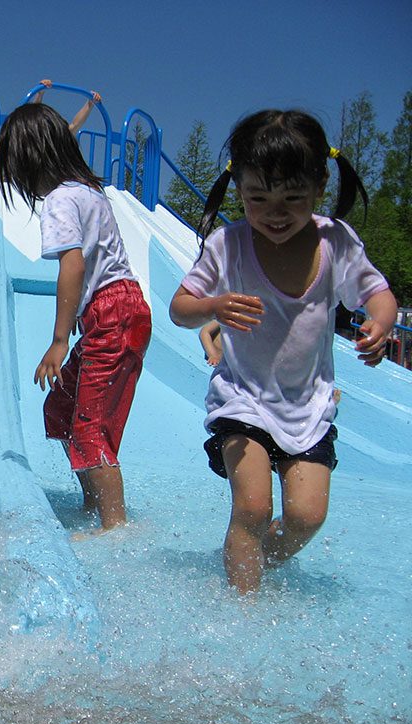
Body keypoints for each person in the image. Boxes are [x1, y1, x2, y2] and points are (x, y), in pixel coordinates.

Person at [168, 109, 398, 594]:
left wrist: (381, 321)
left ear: (318, 186)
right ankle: (243, 609)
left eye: (292, 199)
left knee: (306, 518)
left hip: (308, 406)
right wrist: (213, 304)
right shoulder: (228, 244)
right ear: (239, 189)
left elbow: (376, 291)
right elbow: (181, 308)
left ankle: (250, 559)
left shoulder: (334, 241)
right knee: (252, 506)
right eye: (257, 198)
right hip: (243, 397)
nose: (275, 213)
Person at [0, 103, 152, 533]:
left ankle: (114, 528)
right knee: (63, 409)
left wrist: (59, 339)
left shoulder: (60, 199)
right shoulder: (87, 189)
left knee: (89, 426)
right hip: (118, 311)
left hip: (111, 311)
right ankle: (92, 504)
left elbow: (74, 265)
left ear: (25, 161)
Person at [32, 80, 102, 134]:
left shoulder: (60, 136)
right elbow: (33, 117)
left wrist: (90, 103)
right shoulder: (38, 134)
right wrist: (40, 93)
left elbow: (75, 125)